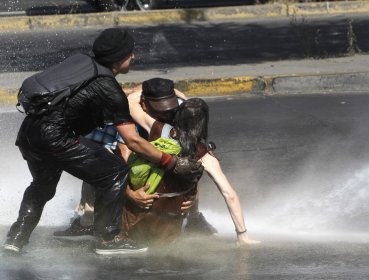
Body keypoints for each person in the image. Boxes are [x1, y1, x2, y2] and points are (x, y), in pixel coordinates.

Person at [3, 28, 203, 255]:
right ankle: (108, 239)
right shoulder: (109, 90)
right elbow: (133, 141)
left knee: (41, 188)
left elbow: (84, 91)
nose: (134, 58)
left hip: (29, 133)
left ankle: (16, 240)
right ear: (119, 59)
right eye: (130, 54)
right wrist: (171, 162)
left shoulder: (83, 63)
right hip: (56, 137)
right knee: (115, 171)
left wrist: (125, 92)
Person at [54, 79, 216, 241]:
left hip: (150, 139)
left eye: (168, 109)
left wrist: (190, 196)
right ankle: (85, 222)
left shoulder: (178, 107)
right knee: (100, 166)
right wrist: (130, 193)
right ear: (143, 104)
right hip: (107, 142)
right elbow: (123, 157)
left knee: (188, 162)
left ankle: (195, 218)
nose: (164, 115)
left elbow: (191, 157)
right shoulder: (126, 114)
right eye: (158, 110)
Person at [118, 88, 260, 248]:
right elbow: (230, 195)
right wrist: (242, 235)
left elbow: (130, 102)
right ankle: (195, 219)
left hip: (135, 217)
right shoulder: (204, 155)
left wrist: (172, 91)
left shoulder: (158, 129)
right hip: (168, 227)